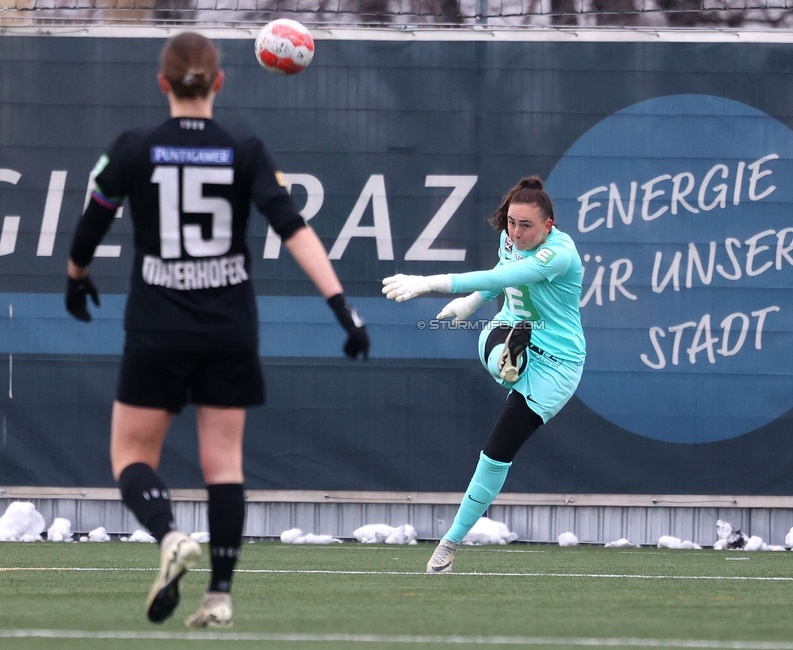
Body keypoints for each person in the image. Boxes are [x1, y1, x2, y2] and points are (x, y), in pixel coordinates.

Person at [65, 32, 369, 628]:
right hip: (229, 329)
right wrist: (341, 306)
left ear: (163, 83)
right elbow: (293, 228)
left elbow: (92, 221)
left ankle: (169, 535)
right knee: (224, 461)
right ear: (219, 82)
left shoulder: (135, 147)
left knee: (130, 453)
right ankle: (220, 594)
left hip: (157, 328)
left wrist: (76, 276)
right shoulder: (243, 148)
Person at [382, 176, 585, 573]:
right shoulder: (510, 241)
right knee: (494, 341)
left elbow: (502, 278)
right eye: (511, 222)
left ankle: (449, 543)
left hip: (558, 365)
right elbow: (499, 274)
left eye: (526, 225)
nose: (516, 232)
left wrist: (432, 283)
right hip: (509, 329)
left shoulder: (560, 254)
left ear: (548, 225)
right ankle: (509, 359)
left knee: (495, 456)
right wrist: (472, 304)